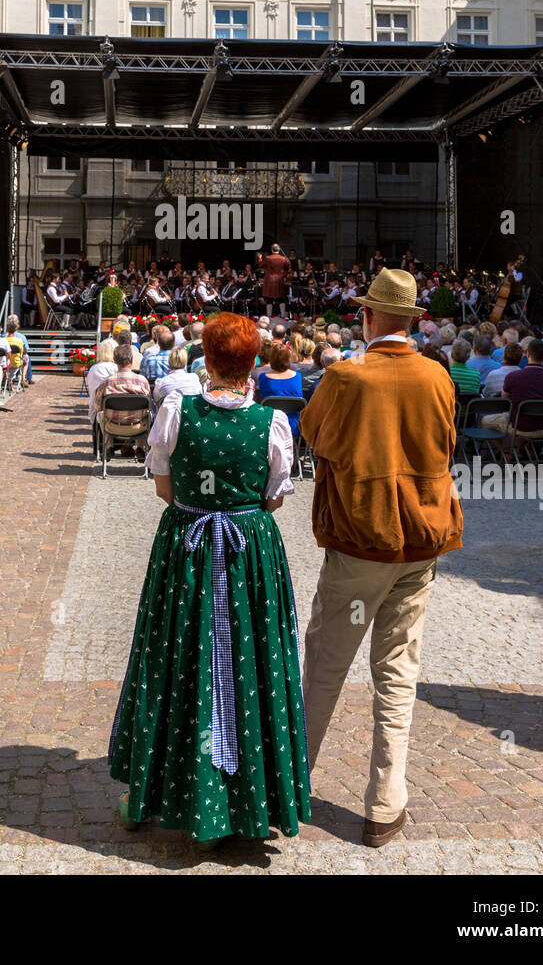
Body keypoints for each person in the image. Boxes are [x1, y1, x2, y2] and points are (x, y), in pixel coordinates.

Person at [110, 312, 309, 845]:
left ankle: (157, 793)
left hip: (187, 547)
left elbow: (162, 488)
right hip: (248, 555)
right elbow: (271, 499)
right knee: (254, 659)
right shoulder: (270, 423)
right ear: (252, 364)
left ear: (209, 361)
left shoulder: (178, 409)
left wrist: (202, 508)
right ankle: (253, 800)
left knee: (178, 656)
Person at [299, 267, 460, 849]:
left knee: (324, 666)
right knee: (398, 673)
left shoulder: (347, 375)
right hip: (420, 540)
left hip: (361, 543)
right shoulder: (437, 376)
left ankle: (294, 782)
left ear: (367, 317)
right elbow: (445, 443)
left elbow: (314, 439)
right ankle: (385, 804)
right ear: (413, 319)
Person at [93, 343, 153, 460]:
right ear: (131, 359)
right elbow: (149, 405)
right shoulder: (142, 381)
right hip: (139, 427)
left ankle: (109, 446)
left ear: (115, 361)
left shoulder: (107, 382)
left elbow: (97, 406)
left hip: (112, 426)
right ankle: (141, 447)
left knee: (100, 414)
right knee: (148, 413)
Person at [259, 342, 305, 437]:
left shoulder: (263, 378)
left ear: (271, 359)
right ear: (288, 358)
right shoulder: (298, 376)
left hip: (270, 426)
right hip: (293, 427)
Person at [261, 243, 291, 317]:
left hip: (270, 281)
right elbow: (287, 267)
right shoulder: (283, 258)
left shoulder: (268, 258)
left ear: (271, 250)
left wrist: (259, 258)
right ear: (279, 250)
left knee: (269, 299)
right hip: (279, 281)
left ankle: (269, 316)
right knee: (281, 298)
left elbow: (261, 265)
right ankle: (283, 316)